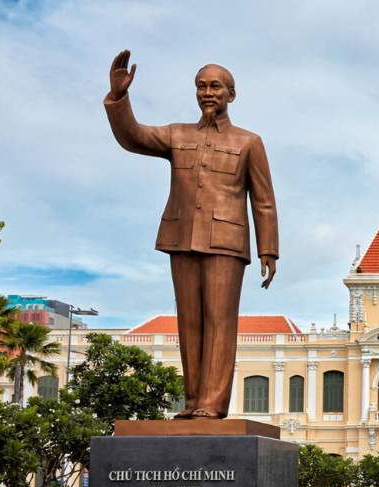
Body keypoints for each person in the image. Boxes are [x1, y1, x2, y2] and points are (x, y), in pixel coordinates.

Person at [104, 50, 279, 419]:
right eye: (201, 86)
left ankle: (213, 404)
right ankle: (193, 401)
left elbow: (263, 200)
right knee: (189, 323)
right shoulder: (176, 134)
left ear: (231, 94)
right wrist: (119, 97)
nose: (207, 93)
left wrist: (269, 249)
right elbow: (133, 136)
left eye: (215, 86)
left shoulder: (249, 142)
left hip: (226, 244)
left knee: (219, 322)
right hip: (181, 237)